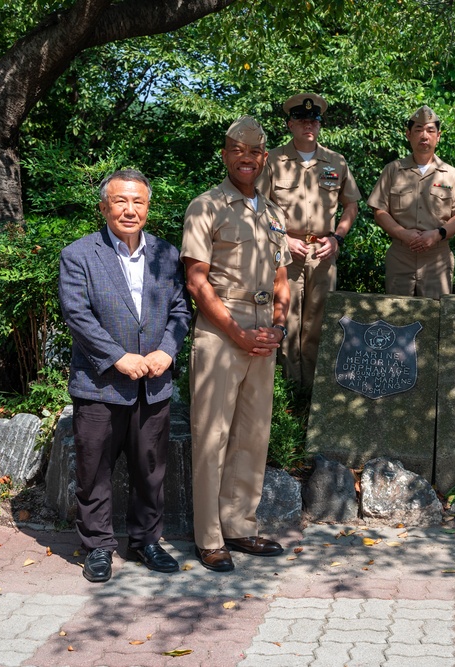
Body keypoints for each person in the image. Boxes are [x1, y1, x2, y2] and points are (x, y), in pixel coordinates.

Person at [59, 169, 191, 583]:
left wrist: (166, 351)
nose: (129, 210)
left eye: (138, 202)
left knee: (150, 467)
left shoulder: (167, 255)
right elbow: (77, 316)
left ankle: (146, 541)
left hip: (153, 380)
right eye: (120, 201)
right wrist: (118, 357)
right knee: (94, 467)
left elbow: (181, 310)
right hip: (100, 382)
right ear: (104, 207)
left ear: (148, 208)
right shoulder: (79, 254)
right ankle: (98, 546)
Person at [181, 116, 291, 572]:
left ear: (263, 158)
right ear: (225, 155)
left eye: (254, 152)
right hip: (221, 330)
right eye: (236, 151)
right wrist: (236, 332)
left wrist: (279, 328)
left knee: (252, 434)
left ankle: (240, 525)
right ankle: (208, 537)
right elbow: (196, 281)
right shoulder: (205, 206)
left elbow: (282, 278)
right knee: (213, 436)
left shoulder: (272, 213)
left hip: (263, 331)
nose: (246, 158)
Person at [258, 93, 361, 390]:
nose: (309, 126)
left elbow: (351, 205)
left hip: (322, 251)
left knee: (320, 321)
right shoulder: (272, 160)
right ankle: (290, 392)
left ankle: (316, 394)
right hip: (284, 251)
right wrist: (282, 239)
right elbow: (260, 205)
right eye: (302, 121)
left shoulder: (335, 161)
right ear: (290, 124)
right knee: (286, 320)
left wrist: (338, 238)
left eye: (314, 121)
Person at [367, 105, 455, 298]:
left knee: (435, 315)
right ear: (408, 134)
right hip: (401, 254)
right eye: (418, 130)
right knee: (397, 314)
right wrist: (403, 234)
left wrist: (437, 234)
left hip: (437, 257)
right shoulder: (392, 170)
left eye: (430, 130)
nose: (424, 136)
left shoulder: (452, 175)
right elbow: (379, 212)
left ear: (438, 136)